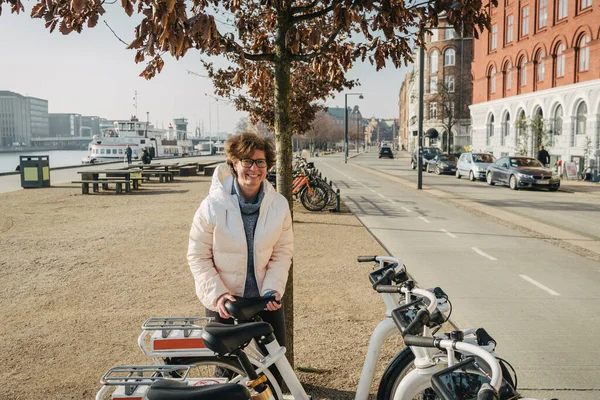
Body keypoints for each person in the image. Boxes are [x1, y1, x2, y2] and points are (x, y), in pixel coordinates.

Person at [187, 132, 293, 368]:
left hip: (264, 299)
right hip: (225, 300)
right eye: (247, 161)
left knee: (277, 367)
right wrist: (218, 295)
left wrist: (273, 288)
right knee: (227, 368)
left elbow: (282, 252)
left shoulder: (279, 205)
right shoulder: (212, 206)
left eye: (260, 162)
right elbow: (198, 256)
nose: (253, 168)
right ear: (234, 164)